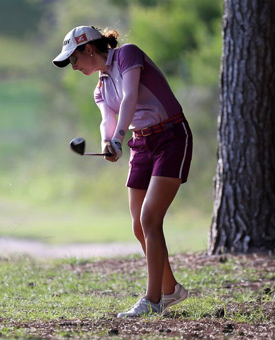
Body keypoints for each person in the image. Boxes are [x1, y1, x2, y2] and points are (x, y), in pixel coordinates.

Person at [52, 26, 193, 317]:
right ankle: (171, 290)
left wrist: (118, 138)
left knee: (150, 218)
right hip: (141, 143)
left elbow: (129, 96)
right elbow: (108, 119)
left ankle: (153, 301)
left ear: (89, 49)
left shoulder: (127, 55)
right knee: (139, 225)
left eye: (73, 58)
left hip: (171, 137)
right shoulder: (100, 87)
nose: (73, 65)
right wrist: (109, 142)